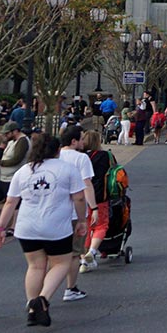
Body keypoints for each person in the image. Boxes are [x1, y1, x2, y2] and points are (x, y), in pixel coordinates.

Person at [0, 132, 88, 326]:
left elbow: (10, 202)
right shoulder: (68, 170)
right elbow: (78, 198)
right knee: (61, 263)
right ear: (57, 150)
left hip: (27, 227)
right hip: (56, 225)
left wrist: (0, 228)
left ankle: (32, 308)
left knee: (35, 266)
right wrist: (82, 220)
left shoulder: (23, 171)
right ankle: (42, 299)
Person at [57, 126, 96, 302]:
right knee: (74, 252)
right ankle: (70, 287)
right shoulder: (82, 158)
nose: (83, 142)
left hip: (55, 211)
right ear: (73, 141)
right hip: (74, 212)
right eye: (81, 139)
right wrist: (93, 207)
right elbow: (86, 184)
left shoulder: (54, 156)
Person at [78, 130, 112, 272]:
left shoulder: (81, 157)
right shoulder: (104, 156)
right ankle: (91, 252)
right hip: (99, 194)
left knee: (86, 226)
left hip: (81, 196)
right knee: (101, 225)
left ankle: (83, 257)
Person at [0, 121, 30, 187]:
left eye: (7, 133)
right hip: (5, 178)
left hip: (12, 179)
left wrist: (0, 162)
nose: (5, 135)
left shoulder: (22, 141)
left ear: (15, 131)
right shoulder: (12, 141)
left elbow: (17, 159)